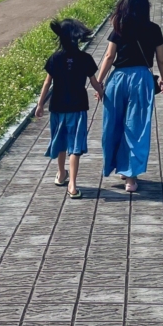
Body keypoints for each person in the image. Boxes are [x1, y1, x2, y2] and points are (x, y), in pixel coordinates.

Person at [95, 0, 163, 193]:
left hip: (118, 79)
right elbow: (161, 58)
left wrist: (99, 83)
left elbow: (109, 57)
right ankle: (130, 178)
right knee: (137, 127)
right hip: (142, 79)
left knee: (113, 124)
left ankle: (116, 166)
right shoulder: (154, 29)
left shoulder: (118, 26)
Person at [36, 18, 97, 199]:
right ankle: (73, 185)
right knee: (75, 146)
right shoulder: (86, 59)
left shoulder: (54, 58)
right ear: (77, 38)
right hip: (78, 108)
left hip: (57, 107)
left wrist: (40, 105)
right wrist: (102, 94)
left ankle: (61, 174)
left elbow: (47, 84)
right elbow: (94, 83)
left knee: (61, 140)